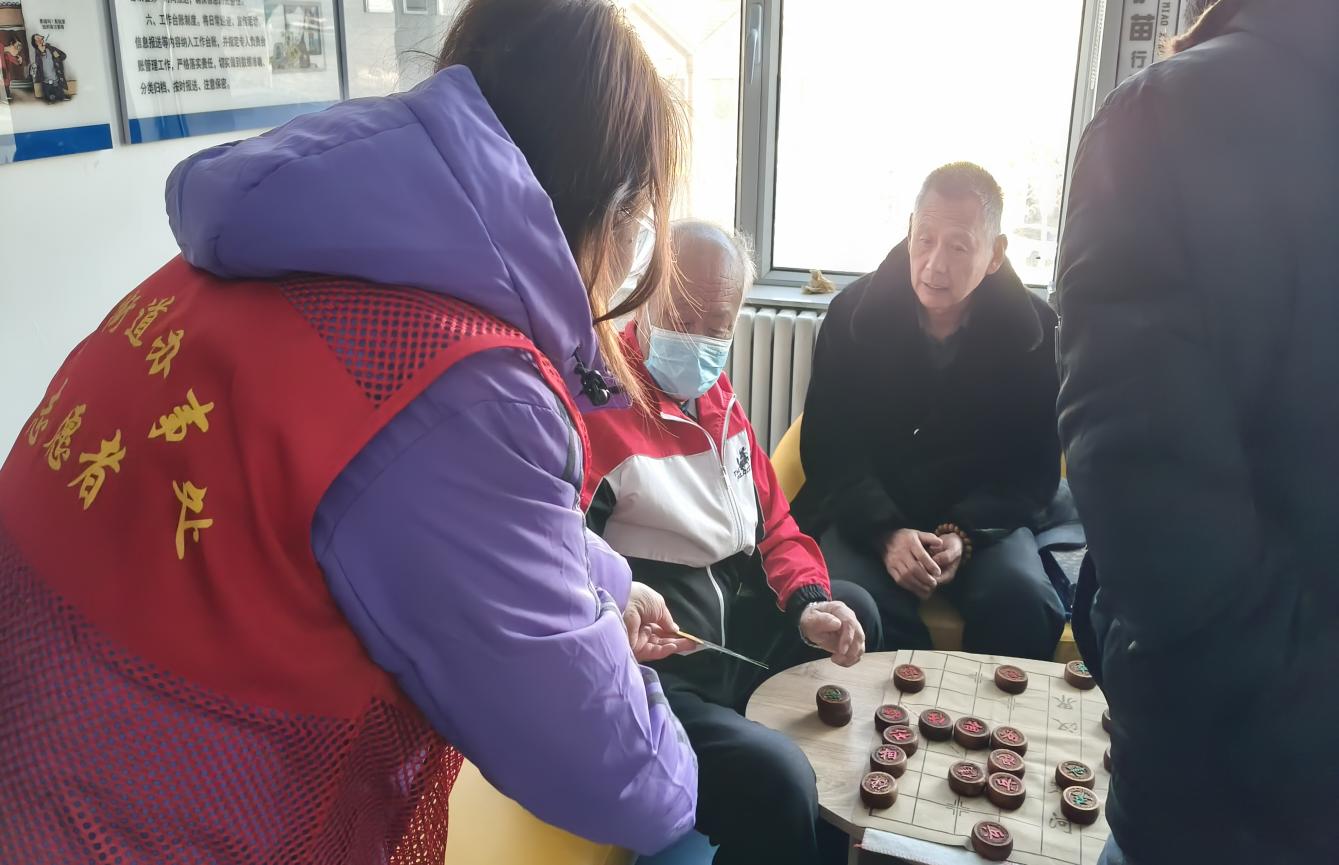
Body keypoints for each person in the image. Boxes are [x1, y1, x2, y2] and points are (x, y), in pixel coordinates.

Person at [0, 1, 700, 862]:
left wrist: (609, 584)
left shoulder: (251, 252)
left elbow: (399, 500)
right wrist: (642, 697)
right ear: (609, 208)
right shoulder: (462, 383)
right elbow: (623, 780)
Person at [1056, 1, 1338, 863]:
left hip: (1226, 772)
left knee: (1014, 595)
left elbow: (1134, 495)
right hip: (1255, 753)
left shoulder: (1163, 119)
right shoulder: (1167, 119)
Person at [583, 221, 882, 865]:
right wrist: (615, 601)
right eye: (681, 316)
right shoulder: (597, 409)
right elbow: (558, 557)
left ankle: (827, 844)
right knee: (777, 778)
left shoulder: (716, 396)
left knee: (855, 610)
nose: (699, 340)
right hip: (659, 670)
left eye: (718, 326)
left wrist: (808, 603)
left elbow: (775, 523)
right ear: (644, 296)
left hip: (732, 638)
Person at [793, 162, 1069, 661]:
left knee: (1023, 601)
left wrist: (961, 536)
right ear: (909, 232)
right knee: (852, 608)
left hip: (982, 524)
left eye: (959, 247)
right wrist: (886, 533)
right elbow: (829, 450)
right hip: (868, 514)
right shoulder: (853, 316)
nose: (934, 265)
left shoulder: (1032, 332)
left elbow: (1033, 469)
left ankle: (982, 715)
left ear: (995, 254)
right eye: (925, 240)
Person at [29, 34, 68, 103]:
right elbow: (37, 66)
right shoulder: (37, 53)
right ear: (35, 43)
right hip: (46, 82)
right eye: (37, 39)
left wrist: (56, 59)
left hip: (56, 79)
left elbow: (63, 56)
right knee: (49, 100)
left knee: (60, 98)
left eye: (40, 38)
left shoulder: (51, 49)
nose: (39, 40)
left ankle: (60, 97)